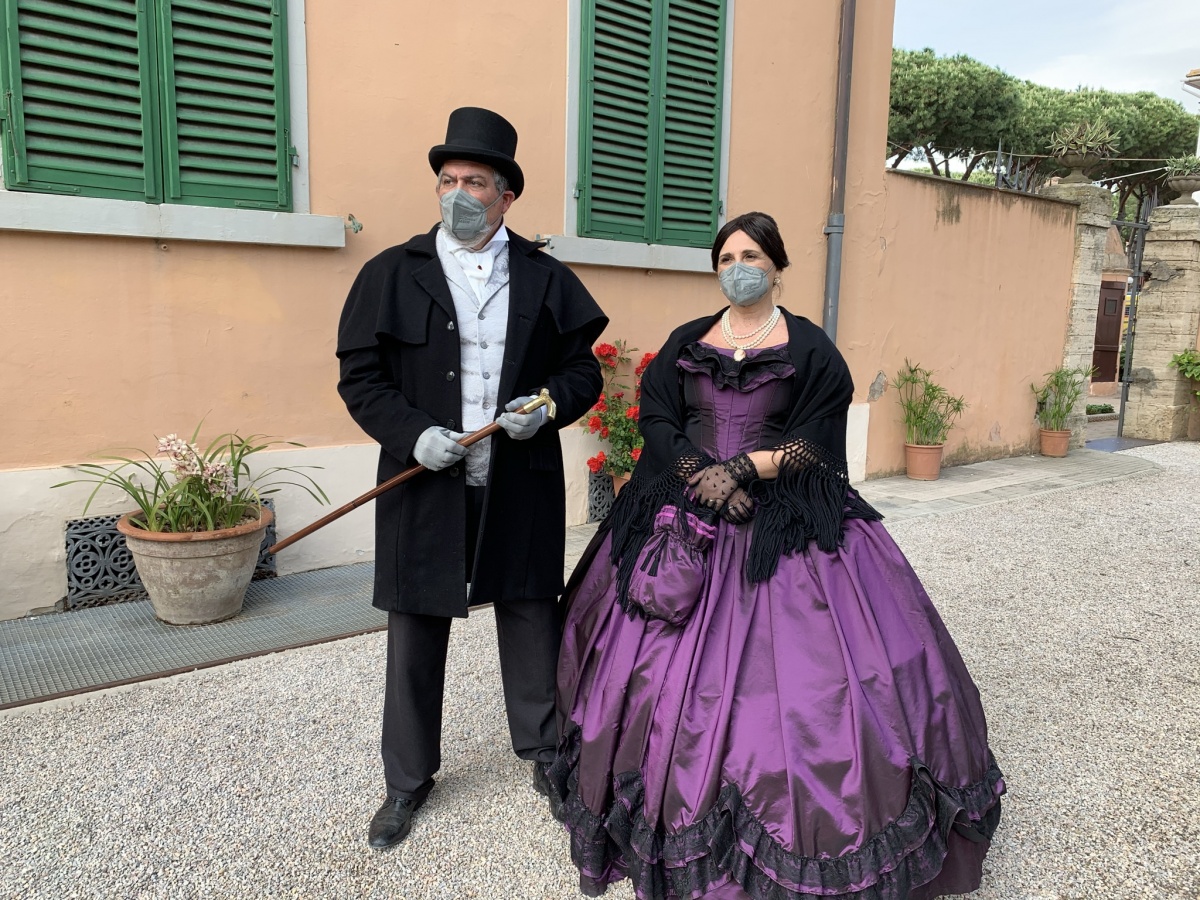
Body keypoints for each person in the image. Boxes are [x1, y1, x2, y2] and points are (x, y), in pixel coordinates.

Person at [547, 212, 1003, 898]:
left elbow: (817, 439)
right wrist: (701, 473)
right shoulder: (687, 340)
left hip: (784, 516)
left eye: (752, 254)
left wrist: (748, 470)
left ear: (777, 265)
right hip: (687, 500)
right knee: (642, 667)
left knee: (825, 678)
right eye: (727, 255)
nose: (738, 265)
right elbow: (658, 420)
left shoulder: (812, 348)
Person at [336, 107, 608, 850]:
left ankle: (545, 754)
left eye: (475, 182)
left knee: (528, 611)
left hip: (517, 475)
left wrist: (549, 405)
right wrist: (410, 433)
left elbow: (582, 370)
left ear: (506, 196)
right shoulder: (389, 273)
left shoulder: (548, 278)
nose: (458, 193)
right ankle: (407, 779)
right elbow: (361, 378)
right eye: (448, 180)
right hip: (424, 481)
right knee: (416, 621)